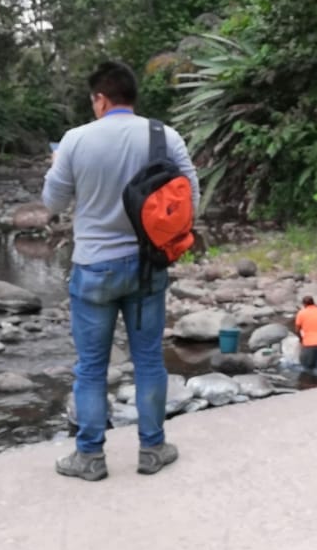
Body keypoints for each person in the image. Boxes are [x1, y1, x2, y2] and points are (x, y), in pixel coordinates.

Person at [42, 59, 199, 482]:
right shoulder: (164, 136)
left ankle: (90, 457)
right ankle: (152, 449)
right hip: (148, 266)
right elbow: (191, 197)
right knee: (148, 360)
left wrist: (56, 164)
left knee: (91, 367)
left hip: (93, 268)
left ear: (100, 99)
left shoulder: (75, 140)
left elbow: (52, 202)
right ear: (132, 96)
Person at [294, 296, 317, 372]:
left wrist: (301, 339)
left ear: (304, 304)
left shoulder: (301, 313)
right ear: (314, 303)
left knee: (307, 367)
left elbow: (297, 330)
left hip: (309, 343)